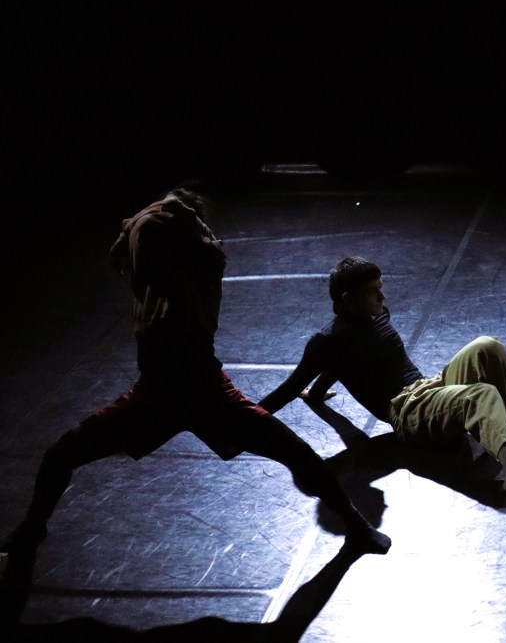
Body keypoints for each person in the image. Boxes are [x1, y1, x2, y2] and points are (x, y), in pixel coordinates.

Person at [0, 187, 391, 561]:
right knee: (61, 455)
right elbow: (137, 234)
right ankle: (32, 528)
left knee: (297, 453)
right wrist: (150, 221)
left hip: (207, 394)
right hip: (156, 397)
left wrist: (179, 213)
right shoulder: (151, 279)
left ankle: (356, 526)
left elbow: (197, 245)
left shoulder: (202, 274)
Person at [258, 256, 506, 503]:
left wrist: (316, 395)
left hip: (428, 387)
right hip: (407, 412)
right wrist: (243, 424)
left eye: (381, 287)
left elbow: (341, 364)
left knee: (487, 346)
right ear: (349, 300)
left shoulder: (376, 314)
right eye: (373, 291)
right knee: (480, 394)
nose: (382, 296)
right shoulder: (326, 341)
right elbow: (290, 387)